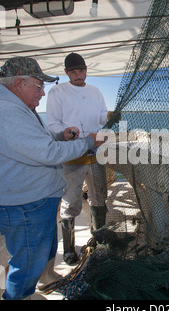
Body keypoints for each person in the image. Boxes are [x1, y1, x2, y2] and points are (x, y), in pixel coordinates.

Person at [0, 57, 104, 300]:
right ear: (19, 83)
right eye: (38, 86)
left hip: (33, 200)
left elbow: (38, 138)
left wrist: (60, 134)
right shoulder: (5, 112)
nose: (43, 93)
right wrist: (88, 142)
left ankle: (46, 278)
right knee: (27, 263)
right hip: (22, 205)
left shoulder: (16, 107)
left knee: (42, 248)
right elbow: (48, 153)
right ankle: (19, 295)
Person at [46, 53, 117, 265]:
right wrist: (65, 131)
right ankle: (68, 250)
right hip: (72, 155)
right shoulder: (57, 92)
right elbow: (52, 124)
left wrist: (110, 116)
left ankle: (99, 240)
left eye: (81, 71)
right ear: (67, 73)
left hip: (95, 153)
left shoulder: (95, 91)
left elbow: (101, 116)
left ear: (86, 70)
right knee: (70, 201)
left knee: (99, 196)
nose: (78, 75)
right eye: (73, 72)